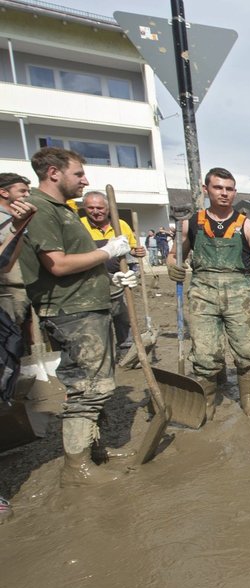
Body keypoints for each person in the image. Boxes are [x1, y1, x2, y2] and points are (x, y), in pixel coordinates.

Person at [19, 147, 136, 487]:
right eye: (79, 174)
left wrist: (108, 275)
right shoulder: (41, 209)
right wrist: (107, 251)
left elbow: (74, 262)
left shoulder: (62, 210)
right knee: (88, 389)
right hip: (72, 311)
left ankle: (94, 450)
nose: (85, 180)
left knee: (95, 383)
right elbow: (56, 264)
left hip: (85, 305)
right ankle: (77, 466)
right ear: (53, 173)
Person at [166, 168, 250, 419]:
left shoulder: (247, 226)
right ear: (206, 190)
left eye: (229, 189)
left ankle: (247, 400)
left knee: (246, 349)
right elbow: (173, 256)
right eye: (218, 188)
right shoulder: (190, 224)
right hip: (203, 293)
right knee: (205, 352)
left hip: (239, 293)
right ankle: (207, 403)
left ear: (234, 192)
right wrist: (173, 268)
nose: (224, 193)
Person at [0, 172, 37, 524]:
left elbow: (7, 264)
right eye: (22, 192)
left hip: (10, 303)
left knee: (6, 376)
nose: (28, 197)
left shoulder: (16, 223)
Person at [80, 191, 146, 356]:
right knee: (97, 320)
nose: (96, 211)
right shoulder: (79, 226)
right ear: (84, 208)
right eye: (91, 208)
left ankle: (126, 350)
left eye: (100, 207)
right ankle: (102, 354)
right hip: (88, 281)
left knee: (123, 317)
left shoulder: (120, 225)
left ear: (108, 208)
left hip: (118, 279)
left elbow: (131, 247)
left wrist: (137, 251)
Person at [0, 173, 35, 336]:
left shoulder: (23, 218)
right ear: (4, 192)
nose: (27, 195)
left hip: (30, 286)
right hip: (9, 290)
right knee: (12, 336)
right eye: (22, 191)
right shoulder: (2, 220)